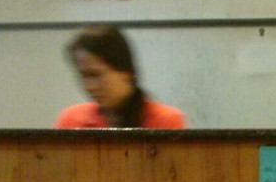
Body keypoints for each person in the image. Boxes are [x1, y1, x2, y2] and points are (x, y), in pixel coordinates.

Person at [55, 25, 187, 129]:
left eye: (96, 75)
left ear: (125, 72)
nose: (89, 86)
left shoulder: (165, 121)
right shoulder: (72, 120)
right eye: (83, 76)